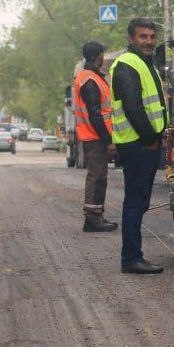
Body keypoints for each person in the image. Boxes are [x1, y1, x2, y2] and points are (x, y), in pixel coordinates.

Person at [109, 17, 168, 274]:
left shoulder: (145, 63)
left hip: (142, 143)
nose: (149, 41)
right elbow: (133, 108)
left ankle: (132, 257)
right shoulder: (127, 65)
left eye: (152, 37)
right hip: (137, 144)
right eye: (143, 37)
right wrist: (150, 138)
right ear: (131, 39)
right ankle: (131, 258)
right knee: (135, 202)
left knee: (139, 201)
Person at [74, 41, 117, 233]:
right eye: (101, 54)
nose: (102, 57)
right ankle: (92, 219)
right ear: (95, 56)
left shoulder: (93, 78)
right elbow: (95, 114)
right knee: (96, 176)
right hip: (95, 138)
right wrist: (108, 141)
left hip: (95, 137)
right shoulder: (89, 80)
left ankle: (96, 216)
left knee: (100, 177)